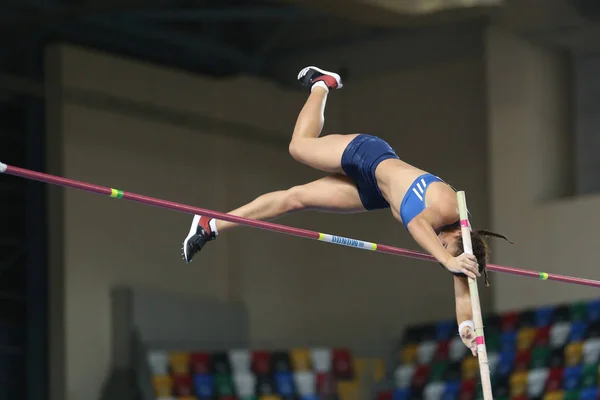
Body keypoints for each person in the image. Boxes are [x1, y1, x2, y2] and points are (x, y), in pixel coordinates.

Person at [181, 66, 512, 355]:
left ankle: (211, 224)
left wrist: (467, 328)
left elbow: (462, 296)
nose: (439, 250)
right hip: (368, 156)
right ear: (458, 235)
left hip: (374, 193)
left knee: (295, 199)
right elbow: (417, 225)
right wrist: (446, 258)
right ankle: (322, 84)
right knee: (299, 146)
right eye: (444, 247)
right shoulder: (447, 206)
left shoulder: (453, 245)